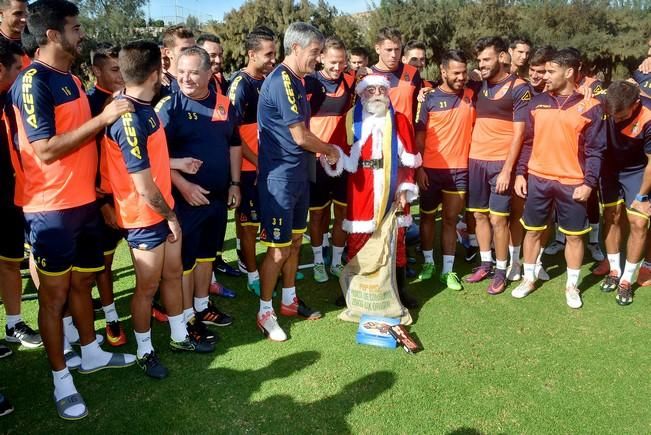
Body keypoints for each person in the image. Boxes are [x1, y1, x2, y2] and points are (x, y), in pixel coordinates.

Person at [10, 0, 136, 420]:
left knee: (82, 285)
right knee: (54, 297)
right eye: (75, 27)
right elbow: (45, 150)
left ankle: (91, 351)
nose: (81, 33)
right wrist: (103, 120)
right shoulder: (32, 82)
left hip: (83, 204)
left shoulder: (69, 78)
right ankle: (61, 378)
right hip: (50, 209)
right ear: (51, 34)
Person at [102, 40, 215, 381]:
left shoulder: (144, 106)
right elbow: (143, 186)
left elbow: (152, 162)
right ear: (154, 73)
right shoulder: (128, 117)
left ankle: (180, 337)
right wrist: (169, 215)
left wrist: (176, 164)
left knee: (172, 274)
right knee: (146, 288)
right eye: (164, 67)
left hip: (162, 210)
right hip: (144, 216)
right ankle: (144, 350)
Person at [256, 22, 340, 342]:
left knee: (293, 243)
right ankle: (265, 311)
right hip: (280, 179)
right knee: (277, 250)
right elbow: (300, 135)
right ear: (295, 49)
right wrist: (330, 149)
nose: (318, 59)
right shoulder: (282, 81)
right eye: (315, 53)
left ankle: (288, 300)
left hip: (298, 175)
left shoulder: (298, 80)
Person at [513, 48, 606, 308]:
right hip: (538, 179)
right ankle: (528, 278)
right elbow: (528, 143)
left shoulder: (591, 105)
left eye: (551, 71)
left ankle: (571, 286)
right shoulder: (537, 101)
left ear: (569, 72)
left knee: (575, 236)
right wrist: (521, 173)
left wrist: (589, 183)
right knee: (532, 231)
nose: (545, 76)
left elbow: (596, 151)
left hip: (572, 183)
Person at [155, 46, 237, 339]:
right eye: (181, 72)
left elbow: (233, 145)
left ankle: (202, 307)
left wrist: (235, 184)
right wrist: (184, 185)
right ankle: (188, 315)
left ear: (208, 72)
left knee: (207, 256)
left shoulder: (224, 104)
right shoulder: (169, 107)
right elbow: (151, 155)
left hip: (216, 198)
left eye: (193, 72)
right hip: (186, 200)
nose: (186, 78)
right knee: (186, 262)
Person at [338, 73, 421, 306]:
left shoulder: (400, 120)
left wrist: (404, 189)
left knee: (397, 239)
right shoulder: (350, 119)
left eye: (381, 90)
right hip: (361, 187)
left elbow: (410, 160)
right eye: (370, 90)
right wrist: (331, 156)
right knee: (358, 238)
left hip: (392, 187)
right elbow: (337, 151)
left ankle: (399, 290)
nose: (376, 95)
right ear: (362, 94)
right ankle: (353, 289)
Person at [464, 36, 530, 295]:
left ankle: (502, 271)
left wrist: (507, 170)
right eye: (479, 60)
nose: (481, 64)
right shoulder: (478, 85)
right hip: (475, 160)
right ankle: (485, 263)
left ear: (502, 57)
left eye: (486, 59)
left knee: (498, 219)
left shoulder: (519, 87)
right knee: (479, 215)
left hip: (500, 164)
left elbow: (519, 134)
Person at [415, 49, 474, 291]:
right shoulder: (428, 99)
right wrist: (419, 168)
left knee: (450, 220)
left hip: (460, 170)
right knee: (428, 217)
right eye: (456, 73)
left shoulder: (472, 94)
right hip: (430, 170)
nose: (461, 77)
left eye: (464, 72)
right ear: (443, 72)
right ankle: (428, 263)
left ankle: (447, 271)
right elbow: (419, 137)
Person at [0, 38, 41, 353]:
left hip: (13, 195)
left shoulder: (10, 101)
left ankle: (14, 324)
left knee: (11, 262)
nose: (22, 75)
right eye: (18, 69)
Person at [229, 26, 276, 296]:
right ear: (251, 54)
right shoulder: (240, 84)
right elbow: (232, 133)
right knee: (248, 222)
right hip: (249, 168)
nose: (272, 59)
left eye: (274, 54)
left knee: (264, 219)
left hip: (265, 164)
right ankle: (252, 273)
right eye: (268, 54)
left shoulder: (267, 80)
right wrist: (257, 161)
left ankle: (257, 264)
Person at [305, 36, 355, 286]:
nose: (338, 67)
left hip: (343, 160)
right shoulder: (309, 82)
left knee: (342, 213)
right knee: (317, 215)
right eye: (333, 62)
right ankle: (317, 260)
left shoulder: (351, 80)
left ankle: (336, 261)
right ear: (321, 58)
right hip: (314, 160)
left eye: (342, 62)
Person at [87, 43, 128, 346]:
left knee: (148, 259)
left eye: (123, 68)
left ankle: (153, 306)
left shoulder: (133, 99)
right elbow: (86, 160)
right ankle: (112, 317)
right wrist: (102, 203)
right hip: (106, 199)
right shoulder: (89, 105)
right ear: (95, 71)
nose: (121, 75)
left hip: (134, 196)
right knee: (104, 265)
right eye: (114, 69)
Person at [597, 81, 651, 304]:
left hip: (637, 171)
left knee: (639, 222)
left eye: (620, 116)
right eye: (612, 116)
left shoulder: (648, 118)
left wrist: (641, 197)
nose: (615, 120)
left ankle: (627, 280)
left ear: (635, 104)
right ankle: (614, 269)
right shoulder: (603, 102)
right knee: (612, 216)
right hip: (608, 169)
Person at [159, 25, 194, 98]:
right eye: (184, 50)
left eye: (194, 48)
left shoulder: (203, 79)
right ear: (168, 52)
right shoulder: (158, 84)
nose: (192, 53)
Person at [0, 0, 29, 68]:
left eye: (27, 13)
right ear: (1, 14)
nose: (24, 19)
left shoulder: (38, 40)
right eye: (18, 13)